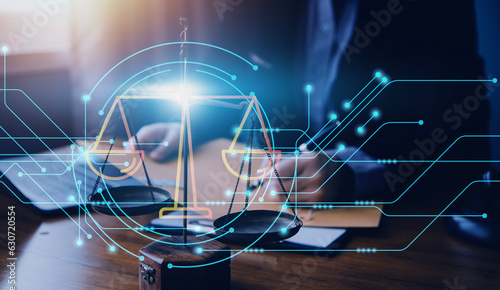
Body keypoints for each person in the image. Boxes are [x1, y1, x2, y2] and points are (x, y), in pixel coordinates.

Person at [86, 0, 490, 205]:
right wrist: (190, 127)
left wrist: (355, 171)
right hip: (273, 225)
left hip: (409, 244)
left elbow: (458, 135)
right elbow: (235, 78)